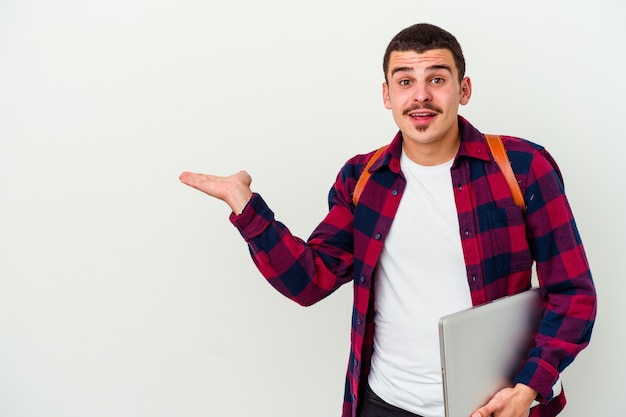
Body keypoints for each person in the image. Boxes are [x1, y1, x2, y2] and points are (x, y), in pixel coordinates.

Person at [179, 23, 596, 417]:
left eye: (437, 79)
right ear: (386, 95)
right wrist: (245, 206)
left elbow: (573, 293)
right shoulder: (363, 179)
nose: (420, 96)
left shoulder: (522, 167)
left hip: (489, 404)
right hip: (384, 402)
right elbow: (310, 282)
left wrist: (528, 389)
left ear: (463, 89)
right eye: (404, 81)